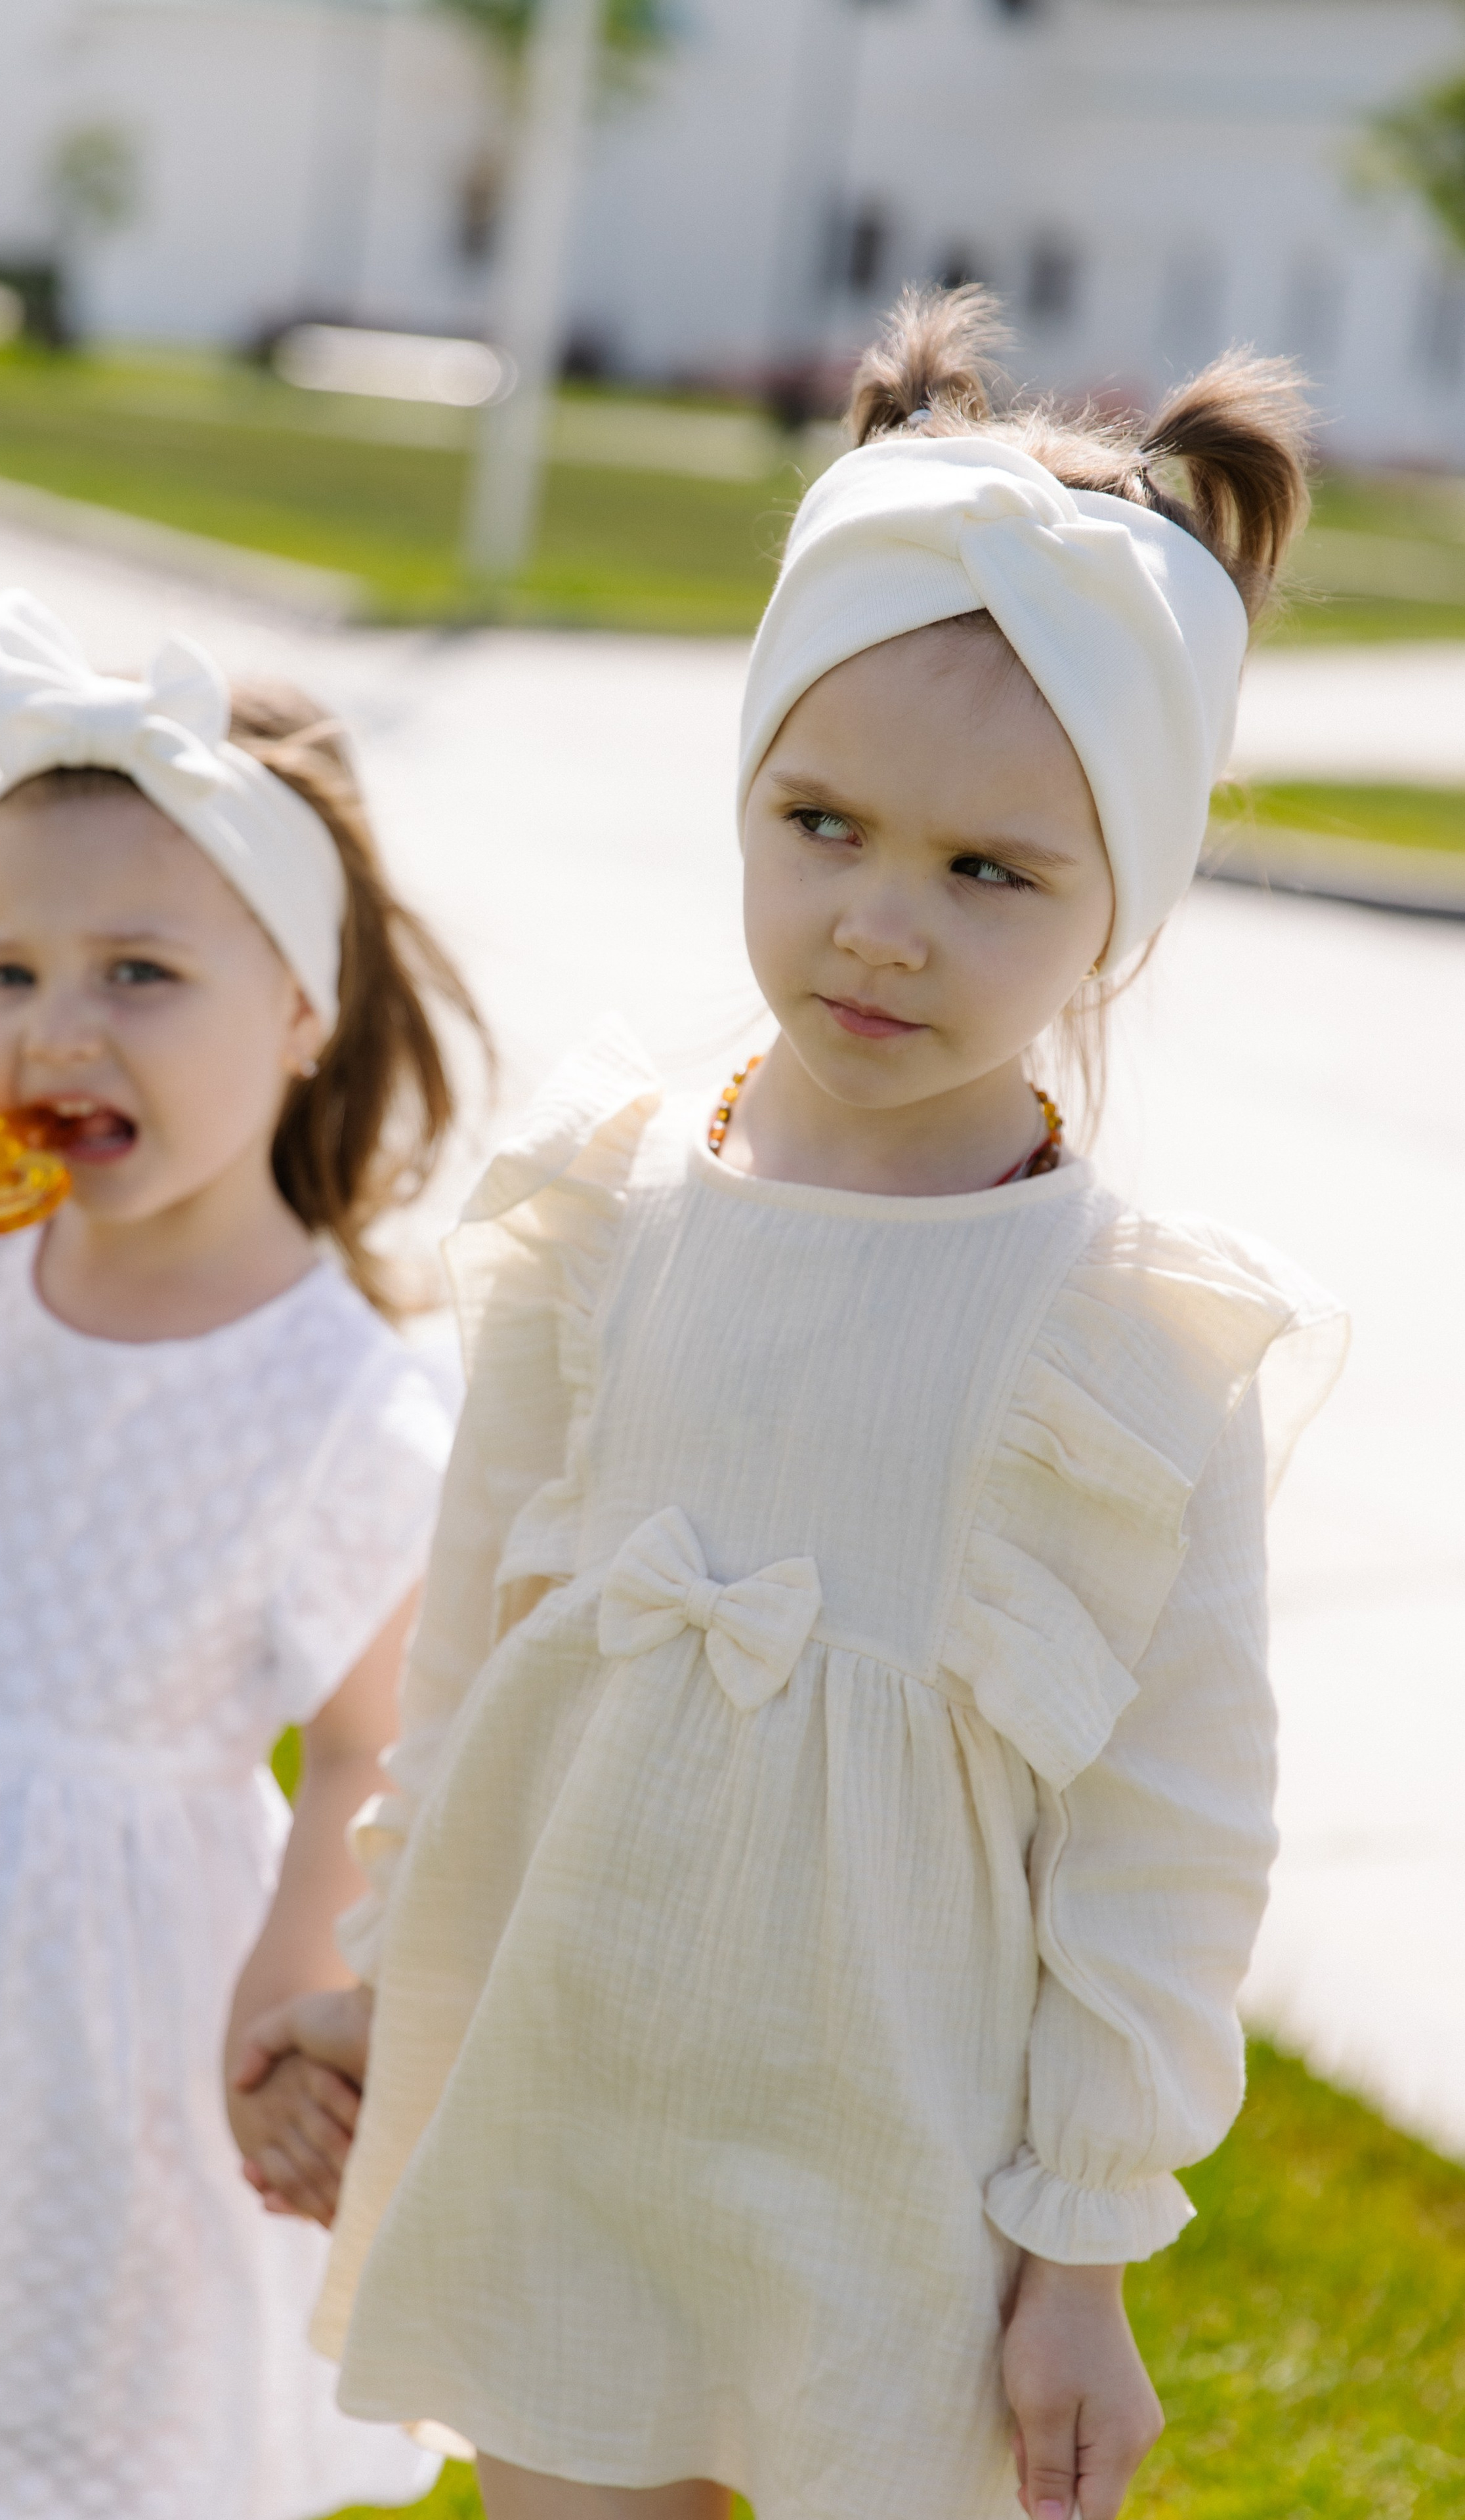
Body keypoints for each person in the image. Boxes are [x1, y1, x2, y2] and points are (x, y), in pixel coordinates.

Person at [236, 291, 1348, 2520]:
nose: (879, 925)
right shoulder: (603, 1213)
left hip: (891, 2180)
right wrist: (379, 1981)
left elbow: (1171, 1829)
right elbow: (472, 1648)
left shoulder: (1118, 1341)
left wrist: (1081, 2247)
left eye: (988, 872)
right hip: (565, 2093)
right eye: (821, 823)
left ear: (1118, 902)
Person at [0, 590, 485, 2520]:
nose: (52, 1026)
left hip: (97, 2018)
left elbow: (370, 1739)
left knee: (58, 2425)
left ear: (302, 1012)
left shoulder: (342, 1396)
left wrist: (288, 1976)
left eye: (138, 974)